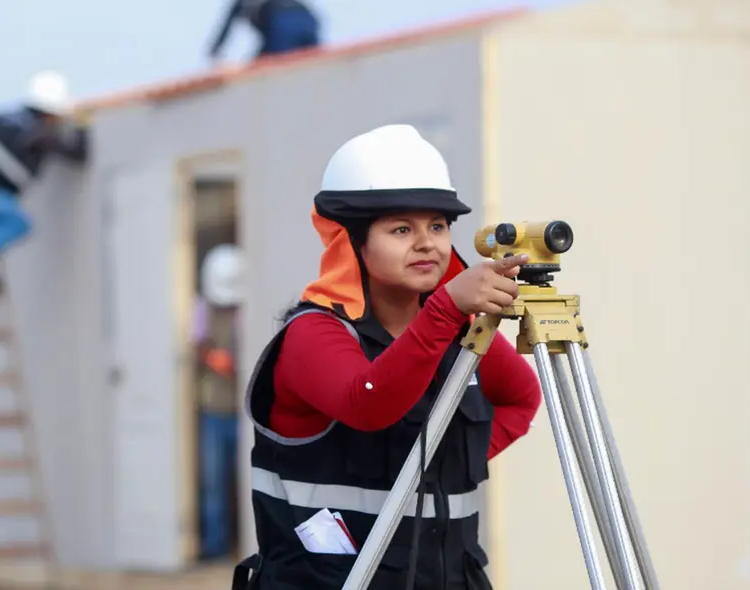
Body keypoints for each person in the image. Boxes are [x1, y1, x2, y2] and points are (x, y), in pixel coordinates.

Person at [232, 125, 542, 590]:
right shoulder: (313, 334)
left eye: (437, 226)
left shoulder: (455, 328)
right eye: (401, 229)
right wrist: (447, 308)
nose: (427, 243)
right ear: (350, 242)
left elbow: (521, 398)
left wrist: (441, 464)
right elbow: (368, 403)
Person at [0, 70, 90, 293]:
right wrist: (82, 128)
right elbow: (76, 153)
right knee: (16, 223)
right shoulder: (38, 133)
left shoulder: (6, 117)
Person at [195, 244, 246, 559]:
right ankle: (215, 546)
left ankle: (245, 543)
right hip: (213, 410)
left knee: (244, 483)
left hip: (243, 411)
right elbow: (194, 344)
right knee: (213, 485)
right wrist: (210, 356)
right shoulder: (202, 310)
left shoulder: (248, 311)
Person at [208, 0, 321, 62]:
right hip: (309, 19)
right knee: (315, 62)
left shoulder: (240, 4)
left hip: (283, 22)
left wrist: (215, 50)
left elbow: (226, 29)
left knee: (264, 64)